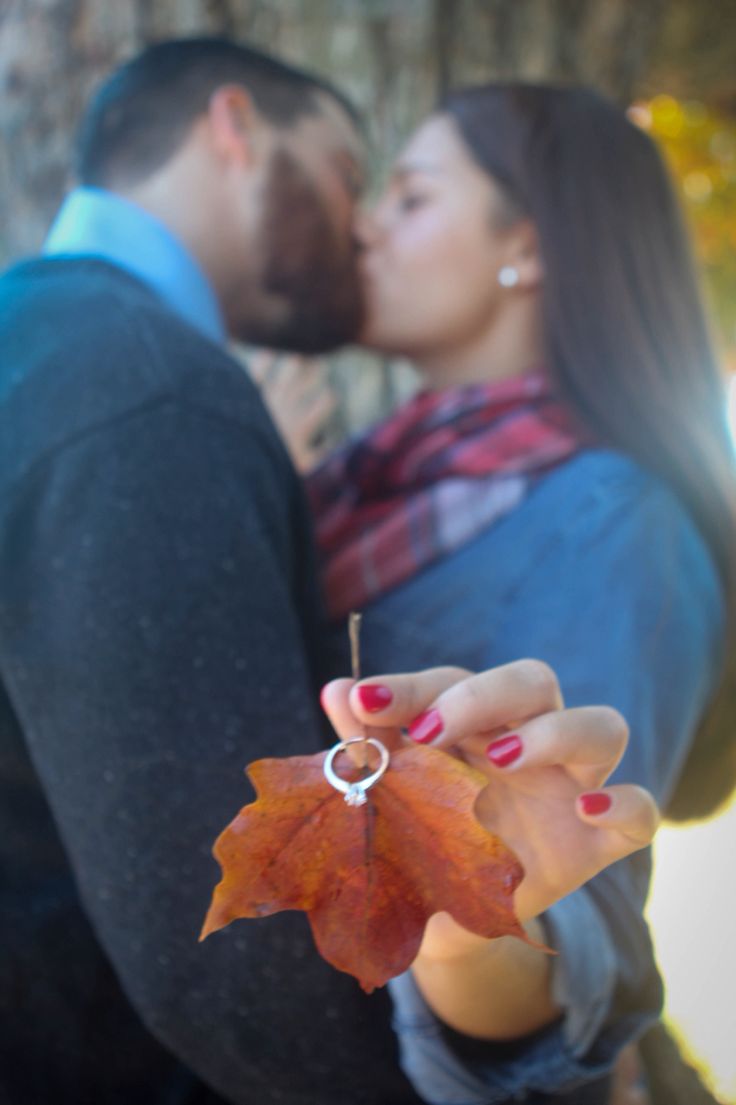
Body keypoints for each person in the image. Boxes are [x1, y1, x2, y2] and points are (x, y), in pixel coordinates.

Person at [0, 40, 658, 1105]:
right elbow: (231, 963)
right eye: (356, 175)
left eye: (405, 195)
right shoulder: (147, 387)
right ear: (233, 127)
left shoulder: (51, 334)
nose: (358, 227)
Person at [299, 83, 736, 1104]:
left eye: (410, 198)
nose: (364, 228)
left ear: (526, 248)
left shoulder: (615, 521)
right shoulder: (364, 482)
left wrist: (461, 934)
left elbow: (574, 945)